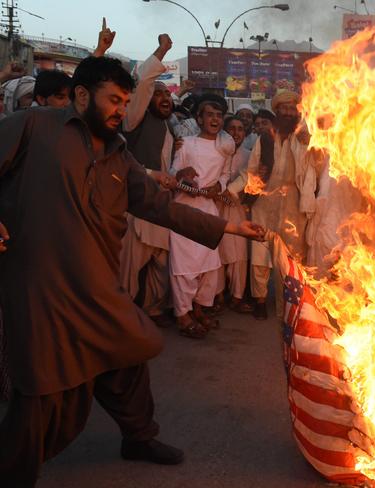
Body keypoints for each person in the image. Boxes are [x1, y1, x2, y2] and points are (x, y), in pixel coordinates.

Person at [0, 54, 263, 487]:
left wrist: (232, 226)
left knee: (130, 350)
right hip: (40, 286)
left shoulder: (120, 157)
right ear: (82, 95)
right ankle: (14, 471)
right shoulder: (34, 126)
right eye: (114, 100)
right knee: (44, 388)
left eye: (125, 101)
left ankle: (139, 437)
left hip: (97, 287)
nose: (122, 110)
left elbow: (164, 209)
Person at [116, 28, 178, 328]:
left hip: (159, 205)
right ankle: (122, 317)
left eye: (168, 94)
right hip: (135, 205)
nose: (165, 98)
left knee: (160, 262)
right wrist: (161, 53)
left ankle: (153, 311)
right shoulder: (136, 118)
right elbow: (142, 84)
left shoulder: (167, 128)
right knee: (129, 266)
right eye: (160, 93)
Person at [247, 91, 318, 320]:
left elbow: (313, 168)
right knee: (260, 250)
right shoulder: (264, 138)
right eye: (284, 108)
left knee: (292, 255)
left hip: (292, 203)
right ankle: (259, 300)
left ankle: (288, 302)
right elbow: (251, 169)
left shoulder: (303, 138)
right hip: (265, 200)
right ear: (276, 111)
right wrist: (255, 183)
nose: (288, 112)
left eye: (291, 108)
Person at [169, 97, 234, 336]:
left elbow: (225, 175)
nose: (215, 119)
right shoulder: (185, 143)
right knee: (184, 266)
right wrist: (184, 179)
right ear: (199, 119)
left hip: (209, 210)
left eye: (219, 115)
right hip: (184, 210)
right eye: (209, 114)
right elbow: (173, 172)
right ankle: (182, 315)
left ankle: (199, 308)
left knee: (208, 264)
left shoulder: (225, 147)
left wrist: (218, 187)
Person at [218, 115, 254, 313]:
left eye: (240, 129)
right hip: (215, 206)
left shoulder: (250, 155)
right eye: (232, 128)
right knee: (218, 251)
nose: (236, 132)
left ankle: (237, 296)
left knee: (238, 253)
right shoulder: (217, 150)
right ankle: (217, 295)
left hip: (239, 209)